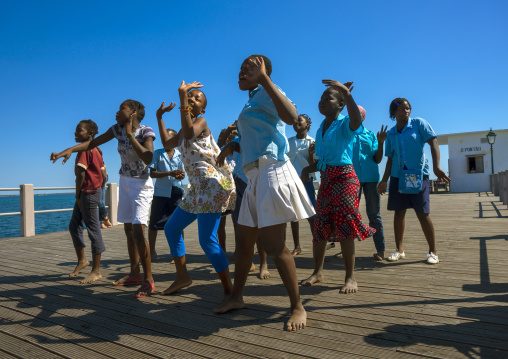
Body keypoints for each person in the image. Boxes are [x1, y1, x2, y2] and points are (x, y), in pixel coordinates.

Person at [215, 55, 315, 331]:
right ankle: (236, 296)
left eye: (250, 67)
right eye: (241, 67)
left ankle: (297, 306)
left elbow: (292, 116)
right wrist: (231, 145)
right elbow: (257, 133)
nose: (241, 71)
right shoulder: (252, 100)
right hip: (254, 176)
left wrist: (266, 80)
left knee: (273, 247)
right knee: (245, 244)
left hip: (272, 172)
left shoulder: (268, 91)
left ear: (264, 72)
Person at [51, 99, 156, 298]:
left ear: (133, 112)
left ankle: (148, 279)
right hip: (125, 181)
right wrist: (71, 149)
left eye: (121, 109)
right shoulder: (116, 129)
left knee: (138, 229)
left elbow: (148, 158)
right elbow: (92, 143)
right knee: (127, 229)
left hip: (141, 185)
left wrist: (130, 136)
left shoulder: (145, 131)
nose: (117, 112)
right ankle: (135, 273)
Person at [156, 81, 236, 306]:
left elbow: (191, 133)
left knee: (207, 241)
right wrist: (160, 117)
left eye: (196, 98)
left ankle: (230, 291)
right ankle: (182, 277)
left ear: (202, 109)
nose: (191, 99)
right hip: (197, 190)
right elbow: (167, 142)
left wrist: (181, 98)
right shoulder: (183, 128)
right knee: (172, 228)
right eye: (189, 96)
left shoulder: (201, 121)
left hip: (212, 185)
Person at [300, 80, 375, 293]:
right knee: (320, 224)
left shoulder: (345, 124)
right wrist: (309, 169)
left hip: (345, 178)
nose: (322, 101)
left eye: (328, 98)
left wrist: (346, 94)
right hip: (327, 179)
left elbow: (356, 118)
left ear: (340, 105)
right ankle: (317, 272)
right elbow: (325, 159)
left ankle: (350, 277)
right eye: (321, 98)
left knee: (345, 225)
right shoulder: (321, 128)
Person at [377, 98, 450, 264]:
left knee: (423, 213)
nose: (406, 111)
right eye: (402, 109)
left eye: (408, 108)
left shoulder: (419, 124)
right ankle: (399, 250)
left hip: (418, 175)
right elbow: (389, 159)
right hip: (398, 176)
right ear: (393, 113)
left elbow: (434, 143)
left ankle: (433, 252)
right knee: (399, 212)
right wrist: (384, 180)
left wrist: (436, 168)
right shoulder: (391, 133)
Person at [67, 119, 106, 284]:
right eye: (76, 131)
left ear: (90, 133)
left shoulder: (85, 148)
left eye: (79, 130)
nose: (76, 133)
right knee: (74, 225)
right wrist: (99, 188)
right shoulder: (97, 150)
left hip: (87, 193)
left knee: (93, 229)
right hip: (92, 192)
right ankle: (82, 261)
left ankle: (96, 271)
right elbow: (104, 175)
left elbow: (80, 174)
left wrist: (78, 195)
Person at [351, 106, 387, 261]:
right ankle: (347, 249)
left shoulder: (371, 135)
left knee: (374, 215)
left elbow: (377, 159)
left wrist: (380, 143)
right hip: (351, 178)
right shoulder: (346, 134)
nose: (356, 116)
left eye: (358, 114)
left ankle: (380, 250)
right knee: (349, 215)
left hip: (371, 179)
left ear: (364, 117)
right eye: (353, 113)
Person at [148, 128, 185, 260]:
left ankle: (179, 253)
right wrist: (169, 173)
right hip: (160, 192)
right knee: (154, 223)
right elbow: (152, 173)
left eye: (168, 139)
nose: (165, 142)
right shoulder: (157, 153)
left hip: (176, 192)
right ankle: (151, 251)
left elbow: (181, 173)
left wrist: (180, 175)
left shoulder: (179, 155)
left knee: (179, 223)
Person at [287, 114, 317, 257]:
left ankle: (317, 245)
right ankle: (297, 246)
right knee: (294, 216)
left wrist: (311, 154)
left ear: (307, 125)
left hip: (307, 182)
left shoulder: (313, 142)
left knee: (312, 215)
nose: (296, 122)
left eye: (300, 120)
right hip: (291, 181)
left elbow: (315, 166)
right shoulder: (288, 142)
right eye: (295, 121)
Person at [96, 147, 113, 229]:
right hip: (95, 185)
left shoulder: (102, 163)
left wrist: (104, 170)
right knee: (100, 202)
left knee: (101, 202)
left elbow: (105, 176)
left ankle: (102, 222)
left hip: (101, 185)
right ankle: (106, 219)